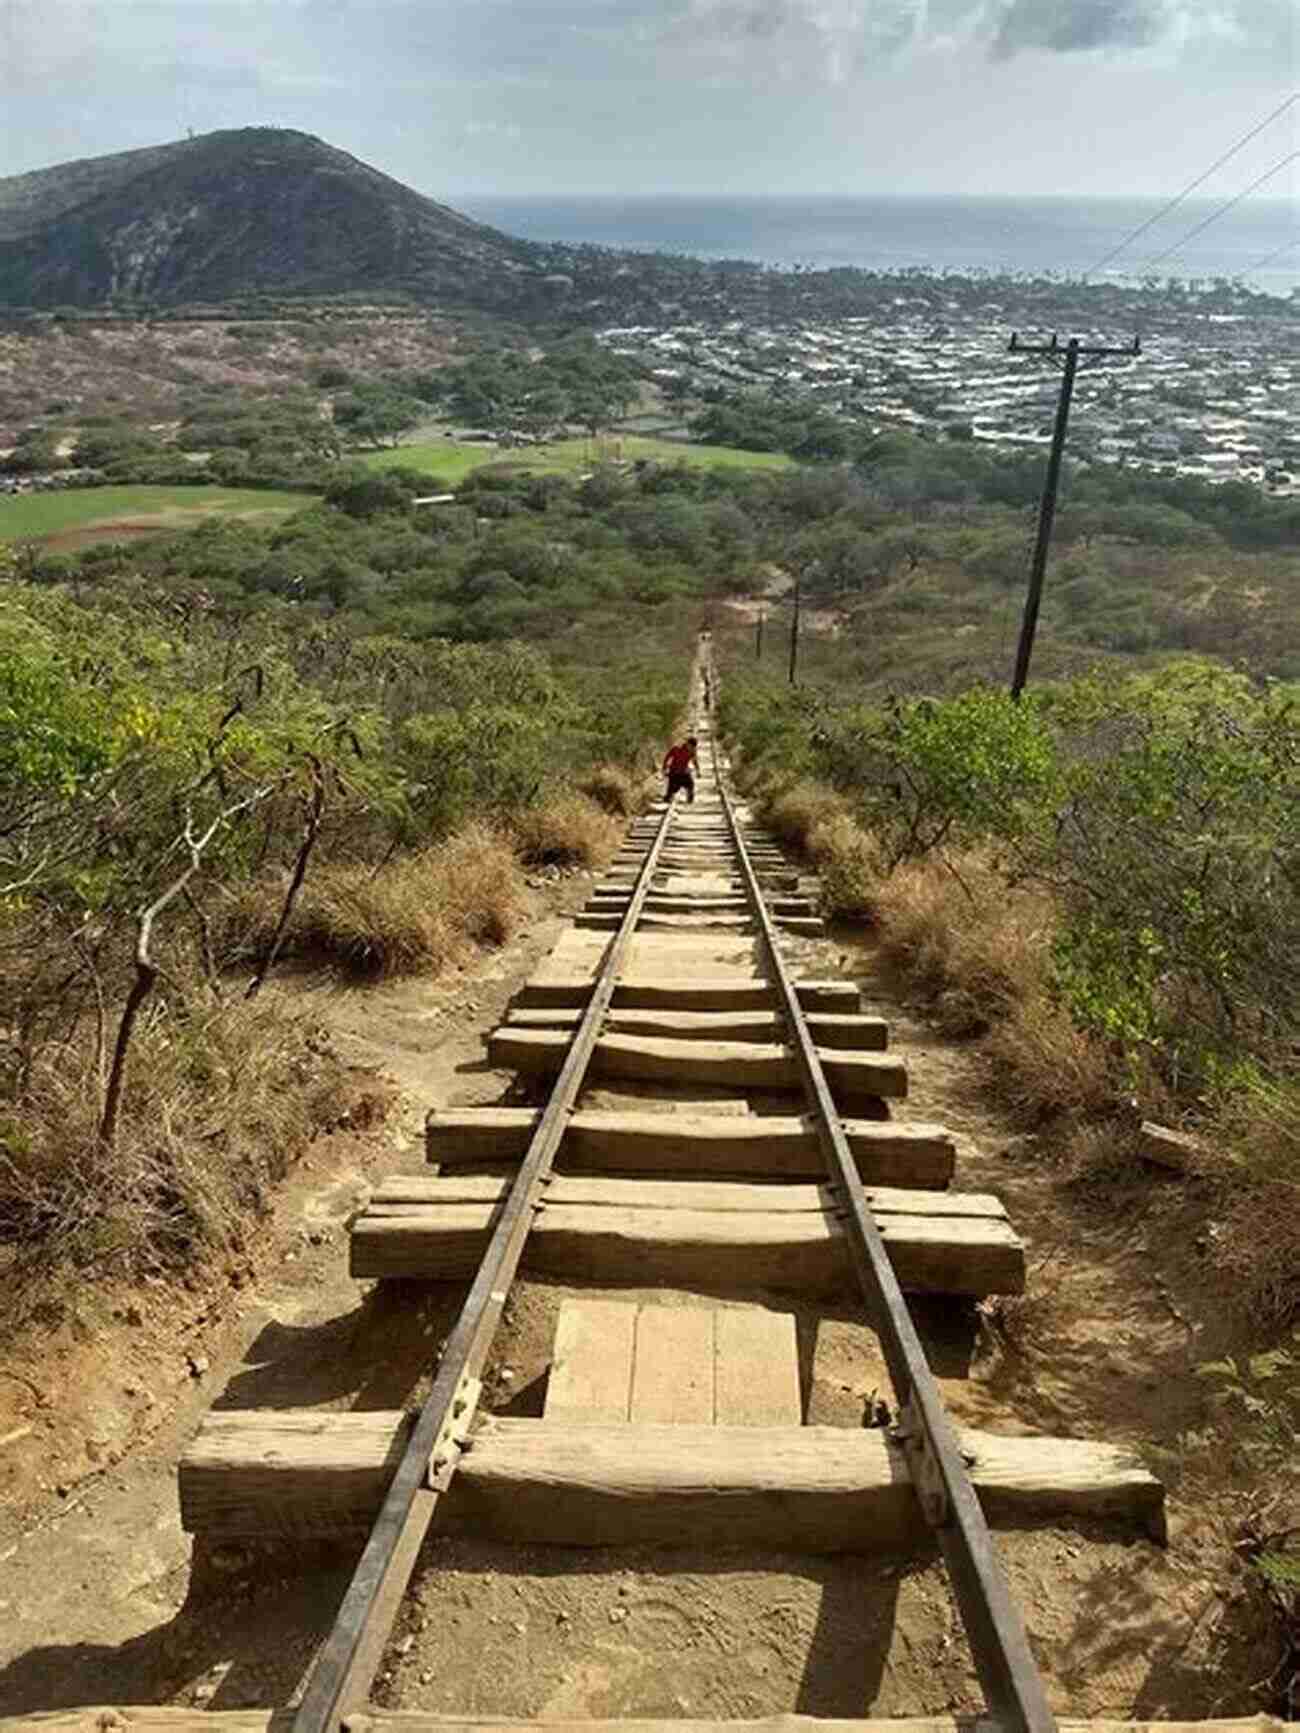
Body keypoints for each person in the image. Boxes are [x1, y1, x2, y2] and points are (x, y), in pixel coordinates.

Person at [662, 735, 699, 805]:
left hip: (683, 773)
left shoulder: (692, 751)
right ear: (688, 744)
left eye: (693, 747)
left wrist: (698, 770)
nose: (691, 748)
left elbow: (695, 761)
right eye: (691, 746)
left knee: (690, 784)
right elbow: (667, 757)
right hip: (674, 772)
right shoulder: (677, 748)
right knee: (672, 790)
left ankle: (689, 800)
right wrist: (664, 768)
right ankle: (668, 796)